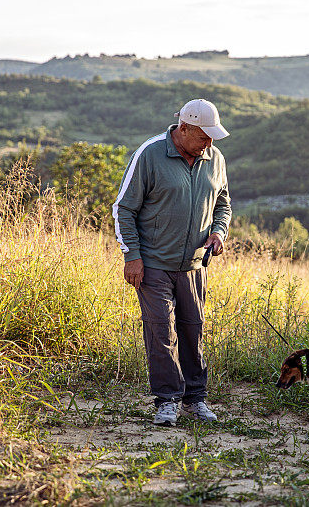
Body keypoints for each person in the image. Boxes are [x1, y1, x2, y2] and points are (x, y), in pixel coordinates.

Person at [112, 98, 232, 426]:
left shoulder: (215, 158)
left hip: (194, 266)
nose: (208, 143)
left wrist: (219, 232)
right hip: (152, 264)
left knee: (193, 331)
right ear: (183, 128)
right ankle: (167, 400)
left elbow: (223, 203)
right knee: (161, 330)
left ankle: (196, 399)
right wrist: (132, 257)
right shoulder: (150, 154)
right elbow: (124, 208)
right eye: (203, 136)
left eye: (212, 137)